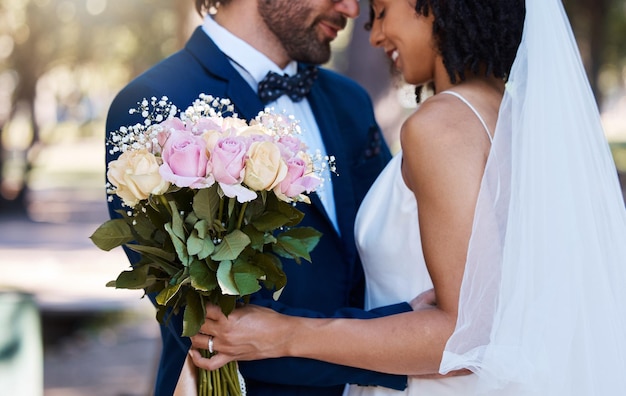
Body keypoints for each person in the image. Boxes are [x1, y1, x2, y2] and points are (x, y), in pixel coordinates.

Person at [189, 0, 626, 394]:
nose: (375, 34)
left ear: (433, 8)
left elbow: (466, 336)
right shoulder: (513, 117)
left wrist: (284, 333)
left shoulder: (441, 126)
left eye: (381, 11)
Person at [105, 0, 424, 395]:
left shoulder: (351, 101)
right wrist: (408, 349)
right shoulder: (153, 101)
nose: (352, 8)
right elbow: (212, 329)